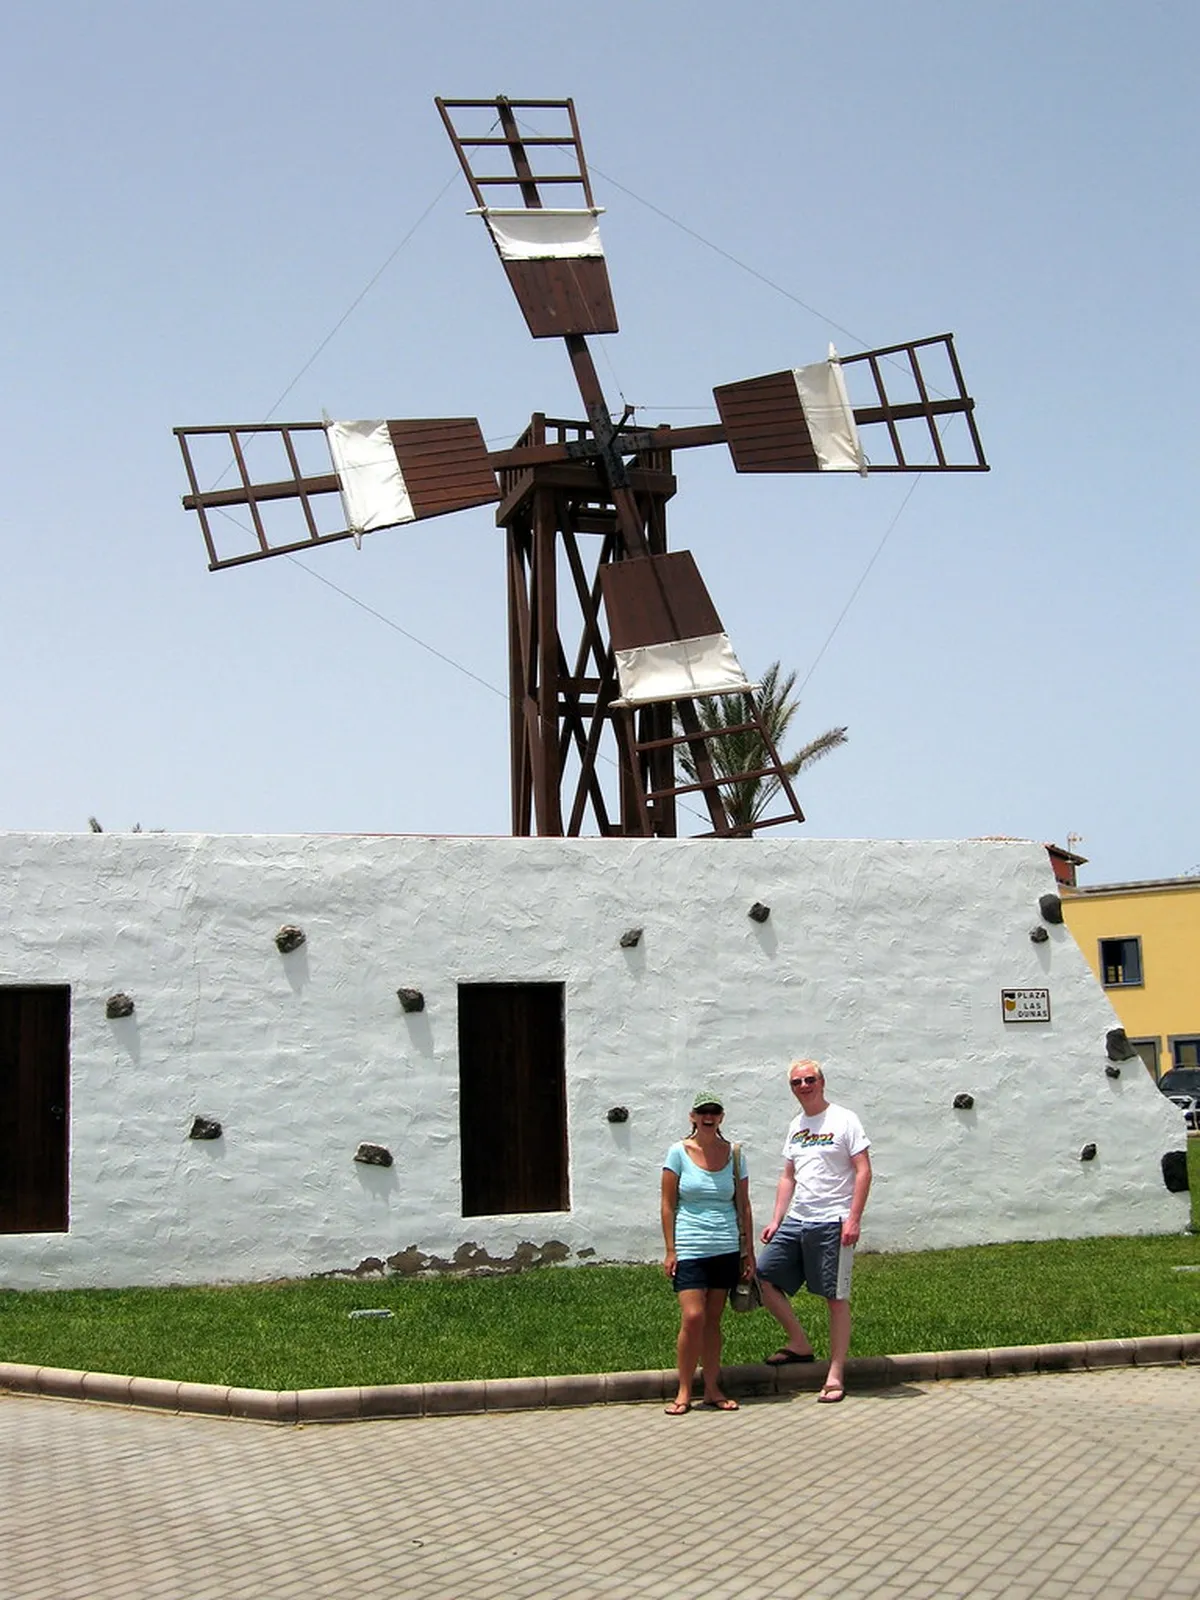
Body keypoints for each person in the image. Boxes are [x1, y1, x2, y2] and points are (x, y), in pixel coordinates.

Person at [756, 1059, 871, 1404]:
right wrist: (776, 1219)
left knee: (835, 1297)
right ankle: (799, 1343)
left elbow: (863, 1171)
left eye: (809, 1079)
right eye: (797, 1082)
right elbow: (788, 1176)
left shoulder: (844, 1119)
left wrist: (853, 1219)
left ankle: (835, 1372)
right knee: (763, 1276)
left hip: (833, 1221)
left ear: (822, 1082)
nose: (804, 1086)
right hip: (798, 1219)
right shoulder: (797, 1125)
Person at [660, 1091, 755, 1415]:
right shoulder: (678, 1153)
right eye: (703, 1112)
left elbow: (744, 1205)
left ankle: (713, 1388)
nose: (708, 1117)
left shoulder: (734, 1154)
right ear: (693, 1116)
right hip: (690, 1247)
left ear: (721, 1117)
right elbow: (667, 1204)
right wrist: (670, 1249)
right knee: (693, 1317)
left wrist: (748, 1252)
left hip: (725, 1246)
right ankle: (684, 1390)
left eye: (714, 1111)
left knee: (713, 1320)